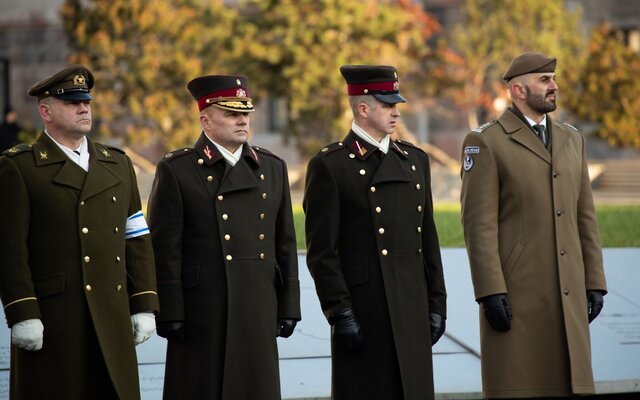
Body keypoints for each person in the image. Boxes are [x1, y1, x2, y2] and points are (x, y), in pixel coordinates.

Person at [0, 65, 159, 399]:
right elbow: (10, 249)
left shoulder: (117, 163)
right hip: (56, 319)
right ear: (45, 111)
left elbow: (136, 237)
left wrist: (144, 302)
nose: (84, 107)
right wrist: (22, 311)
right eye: (72, 102)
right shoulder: (21, 166)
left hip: (112, 313)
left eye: (86, 101)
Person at [460, 52, 607, 399]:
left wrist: (595, 281)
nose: (554, 86)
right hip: (517, 296)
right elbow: (478, 225)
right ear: (518, 90)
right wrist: (490, 291)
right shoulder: (485, 142)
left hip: (568, 293)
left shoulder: (573, 139)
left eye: (553, 78)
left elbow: (585, 216)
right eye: (544, 80)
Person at [148, 74, 301, 400]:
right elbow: (164, 249)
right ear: (205, 119)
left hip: (257, 306)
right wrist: (170, 310)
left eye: (245, 112)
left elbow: (284, 242)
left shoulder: (272, 168)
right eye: (231, 113)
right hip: (202, 310)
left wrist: (289, 305)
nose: (242, 120)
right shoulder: (177, 169)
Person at [304, 65, 447, 400]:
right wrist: (340, 312)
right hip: (365, 310)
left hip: (411, 306)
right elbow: (322, 251)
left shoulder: (415, 161)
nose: (396, 111)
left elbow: (428, 241)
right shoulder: (331, 165)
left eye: (396, 104)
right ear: (363, 109)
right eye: (387, 104)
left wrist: (437, 303)